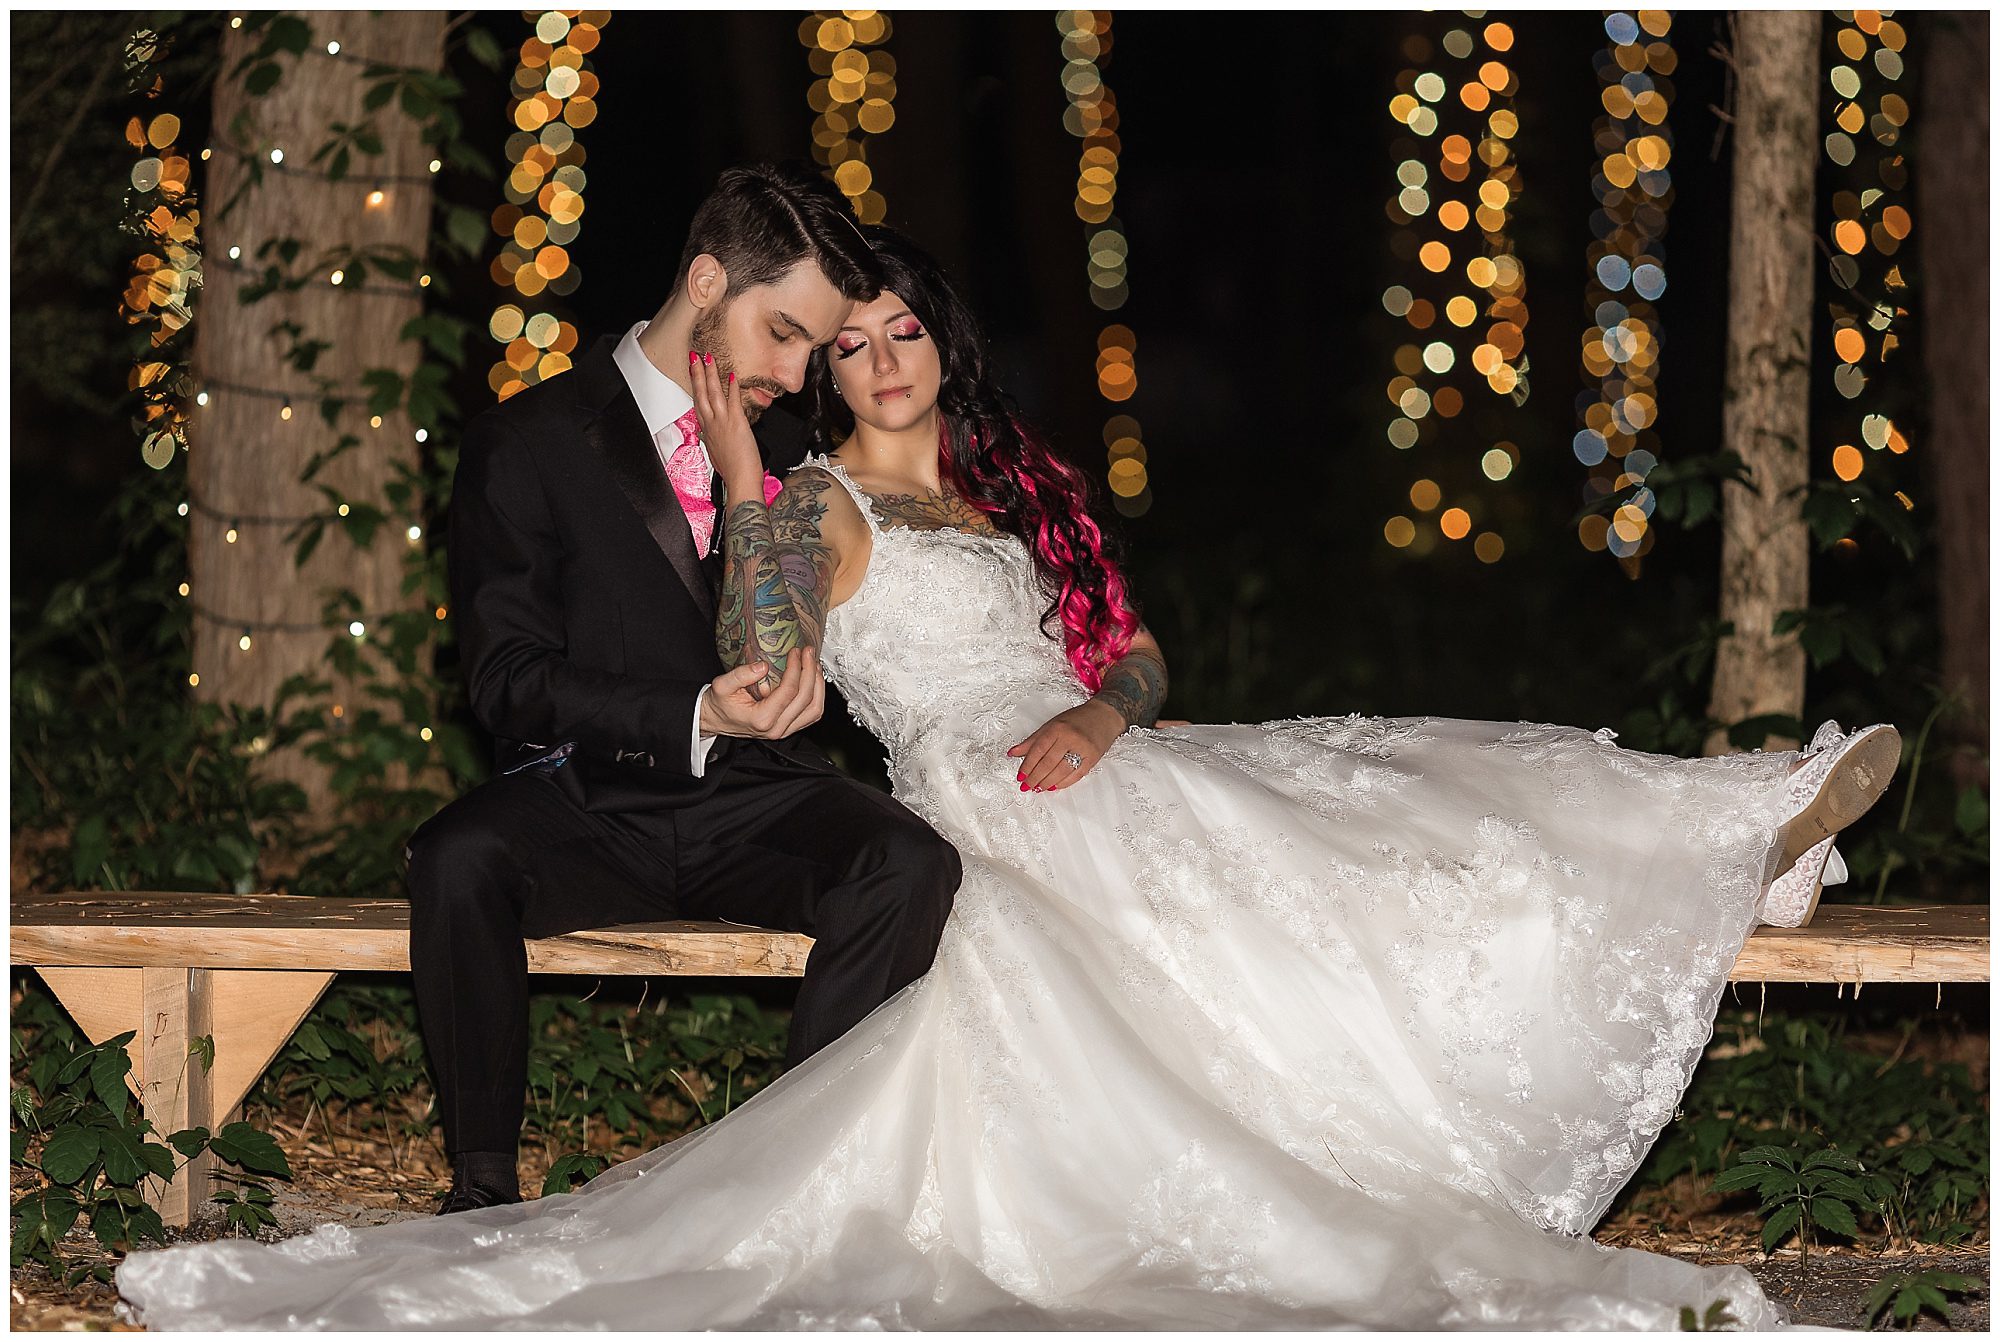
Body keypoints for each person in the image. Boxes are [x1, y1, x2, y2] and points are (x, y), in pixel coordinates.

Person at [116, 226, 1899, 1329]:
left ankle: (1738, 824)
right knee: (1344, 872)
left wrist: (1111, 712)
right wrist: (743, 451)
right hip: (982, 780)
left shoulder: (1012, 489)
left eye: (899, 334)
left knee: (1403, 791)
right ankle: (1728, 851)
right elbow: (760, 649)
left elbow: (1128, 647)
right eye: (851, 338)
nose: (876, 358)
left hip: (1102, 749)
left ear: (940, 352)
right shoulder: (814, 503)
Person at [393, 167, 959, 1215]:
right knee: (455, 855)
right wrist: (693, 712)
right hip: (589, 803)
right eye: (783, 333)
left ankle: (802, 1179)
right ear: (706, 282)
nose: (796, 376)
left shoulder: (794, 456)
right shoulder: (525, 442)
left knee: (908, 859)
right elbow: (507, 683)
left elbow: (792, 627)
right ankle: (480, 1190)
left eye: (810, 348)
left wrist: (785, 672)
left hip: (753, 801)